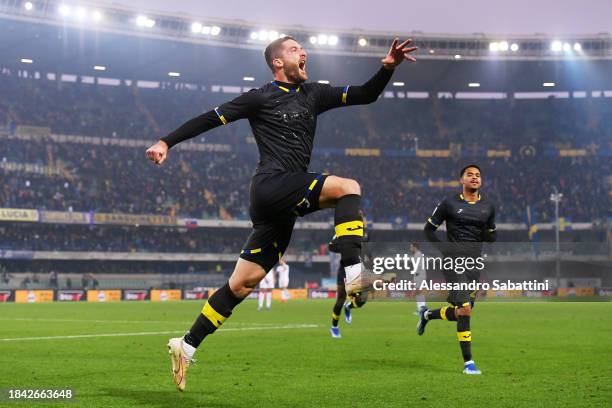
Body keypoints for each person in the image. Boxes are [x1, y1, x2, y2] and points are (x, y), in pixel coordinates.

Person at [146, 35, 417, 392]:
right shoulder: (260, 97)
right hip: (272, 186)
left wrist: (387, 68)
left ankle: (187, 344)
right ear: (277, 62)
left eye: (303, 49)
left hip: (280, 208)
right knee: (348, 187)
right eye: (294, 49)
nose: (303, 53)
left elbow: (366, 93)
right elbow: (209, 119)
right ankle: (355, 275)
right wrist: (167, 141)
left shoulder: (314, 94)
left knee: (242, 284)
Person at [417, 164, 496, 375]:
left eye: (478, 175)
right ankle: (468, 363)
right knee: (466, 310)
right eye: (470, 175)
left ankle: (427, 316)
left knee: (461, 312)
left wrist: (487, 234)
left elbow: (492, 235)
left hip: (473, 265)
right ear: (462, 180)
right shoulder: (449, 203)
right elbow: (429, 231)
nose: (474, 178)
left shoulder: (488, 206)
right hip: (453, 263)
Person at [329, 210, 369, 338]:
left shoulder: (365, 233)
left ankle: (349, 307)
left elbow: (366, 250)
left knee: (362, 299)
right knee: (340, 298)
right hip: (344, 269)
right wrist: (346, 248)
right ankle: (334, 327)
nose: (362, 220)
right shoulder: (344, 230)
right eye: (360, 217)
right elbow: (331, 246)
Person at [409, 242, 427, 314]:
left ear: (414, 247)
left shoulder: (418, 255)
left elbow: (419, 266)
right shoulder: (417, 255)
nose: (410, 249)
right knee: (419, 294)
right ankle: (421, 309)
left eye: (411, 247)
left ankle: (422, 309)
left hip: (420, 275)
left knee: (418, 292)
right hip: (418, 275)